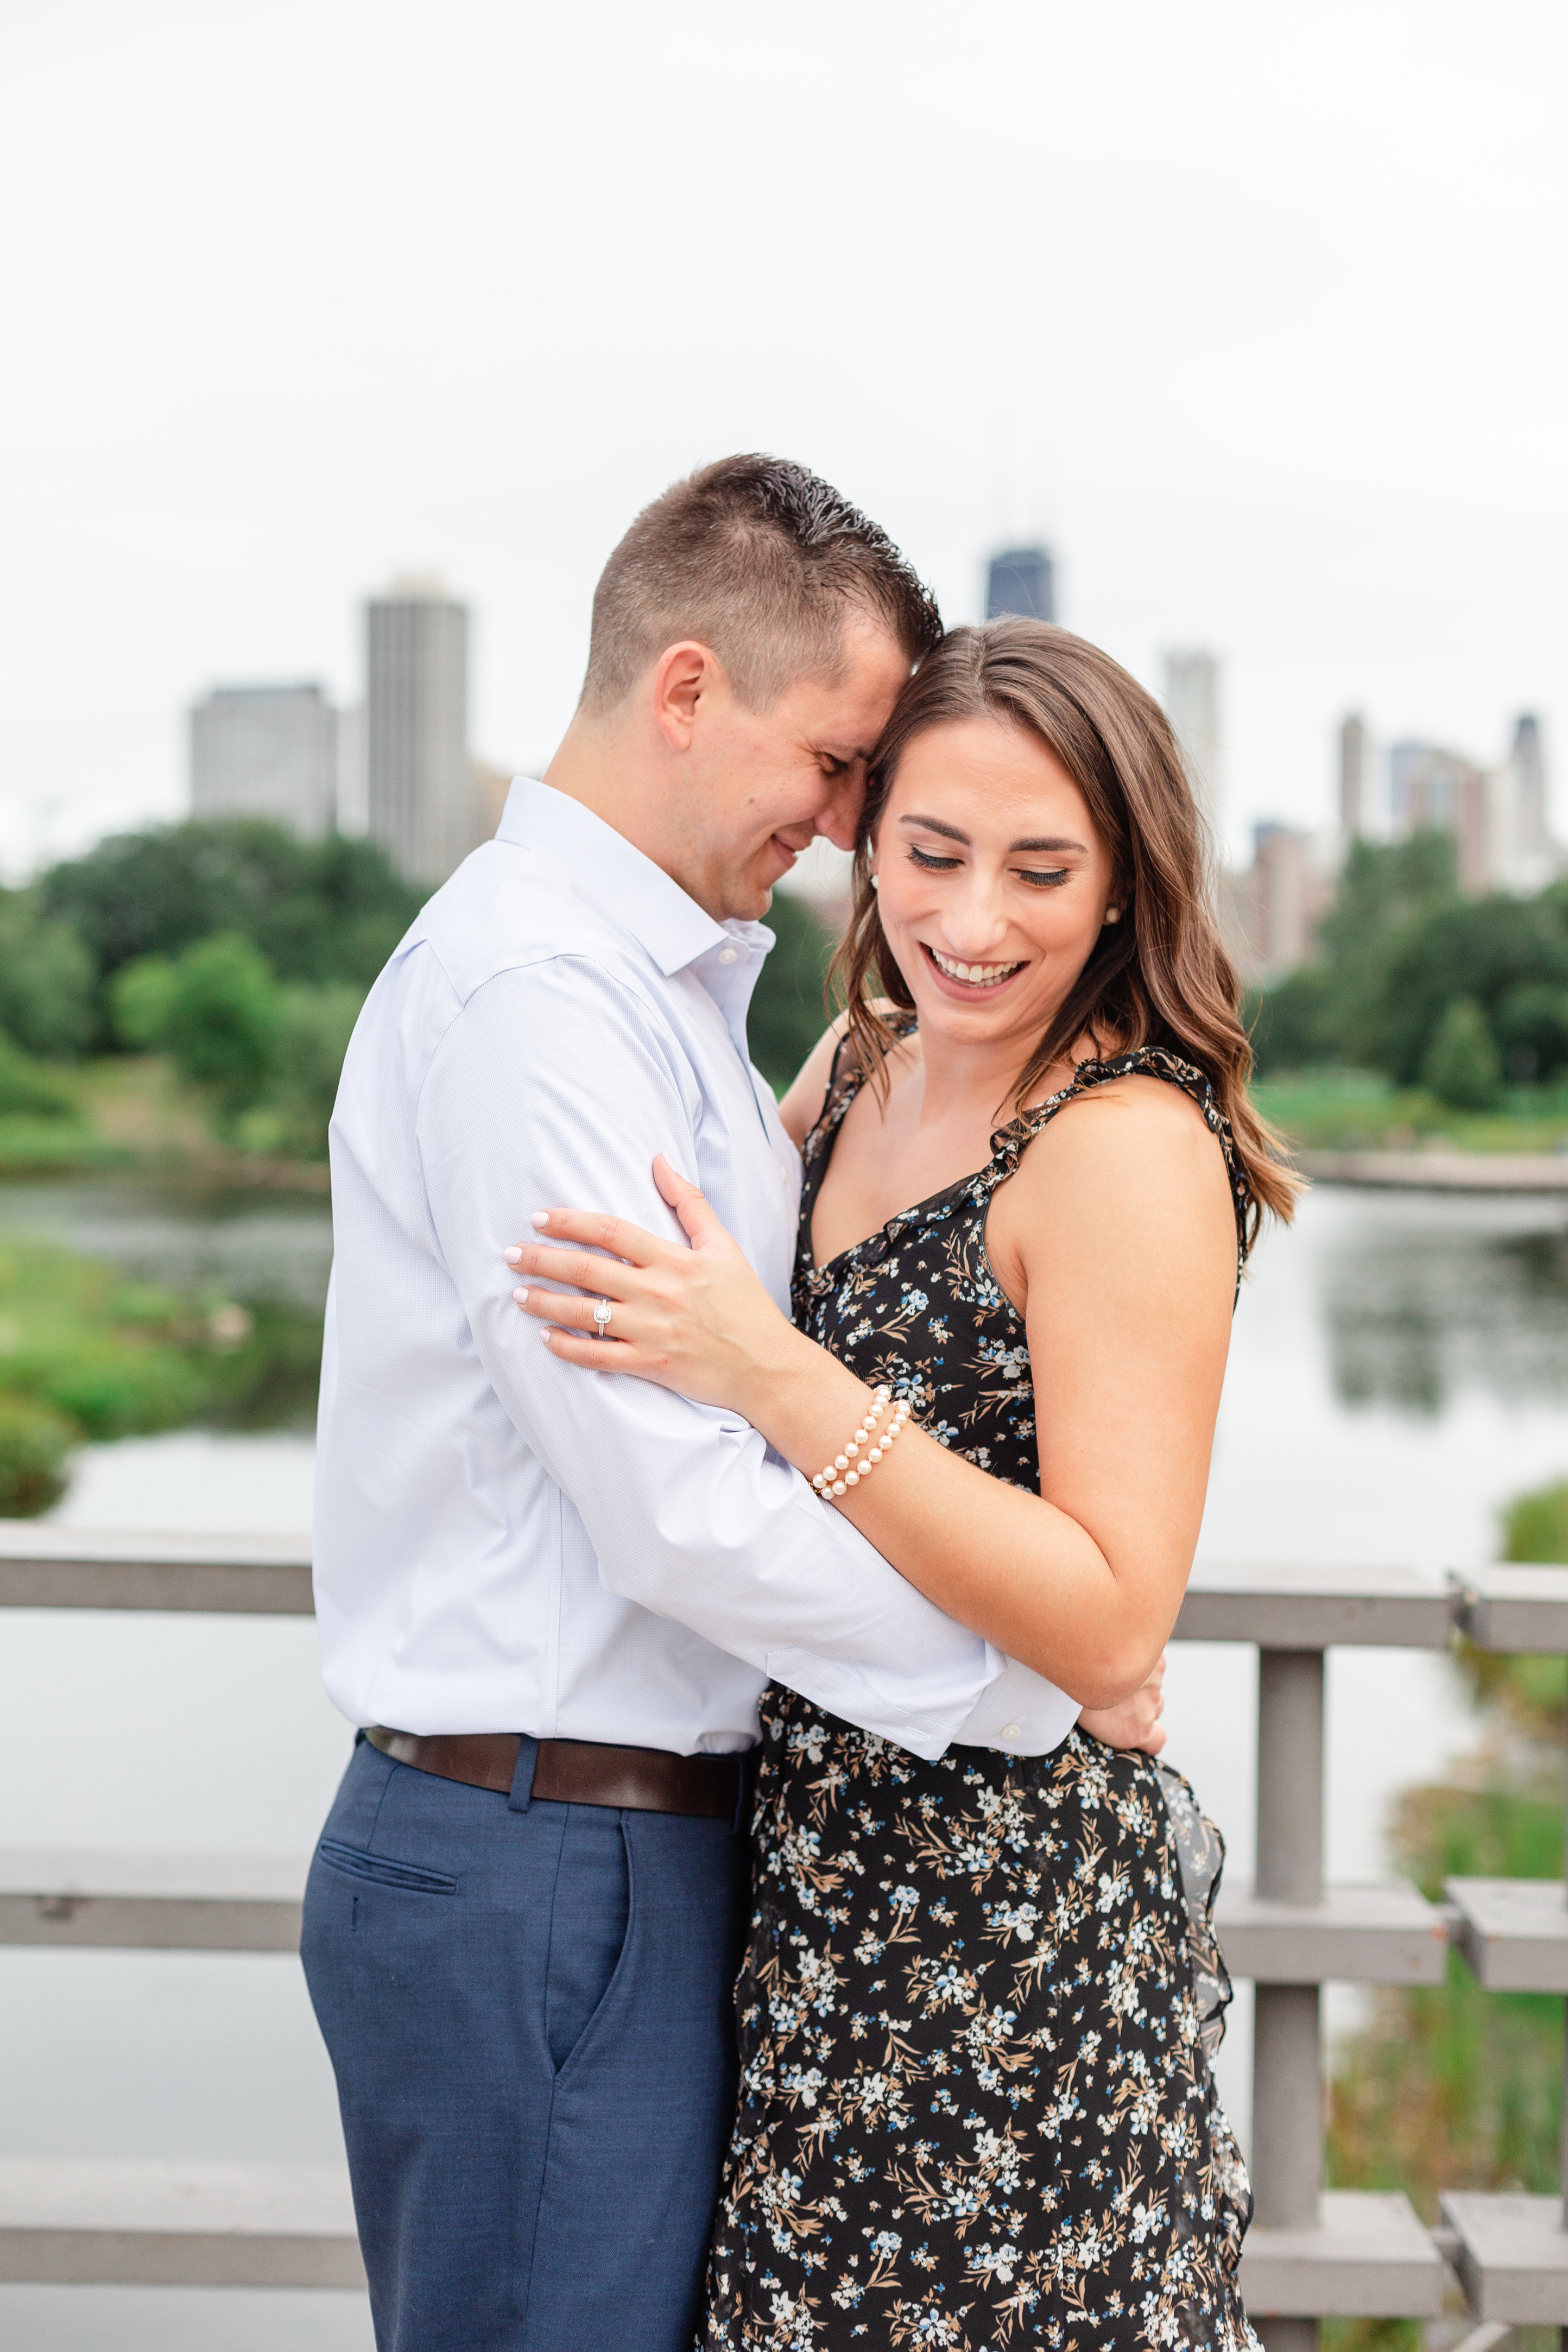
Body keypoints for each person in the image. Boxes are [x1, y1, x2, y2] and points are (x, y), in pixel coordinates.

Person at [300, 460, 1160, 2352]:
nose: (858, 826)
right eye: (842, 764)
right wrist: (1029, 1671)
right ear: (686, 690)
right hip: (543, 1848)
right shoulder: (540, 999)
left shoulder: (675, 988)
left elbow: (785, 1347)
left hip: (643, 1850)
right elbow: (676, 1501)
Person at [506, 616, 1299, 2349]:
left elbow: (1111, 1619)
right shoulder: (861, 1061)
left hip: (1007, 1941)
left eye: (1040, 869)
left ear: (1122, 886)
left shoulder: (1124, 1146)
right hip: (809, 1896)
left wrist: (779, 1377)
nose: (972, 920)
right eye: (931, 853)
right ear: (867, 839)